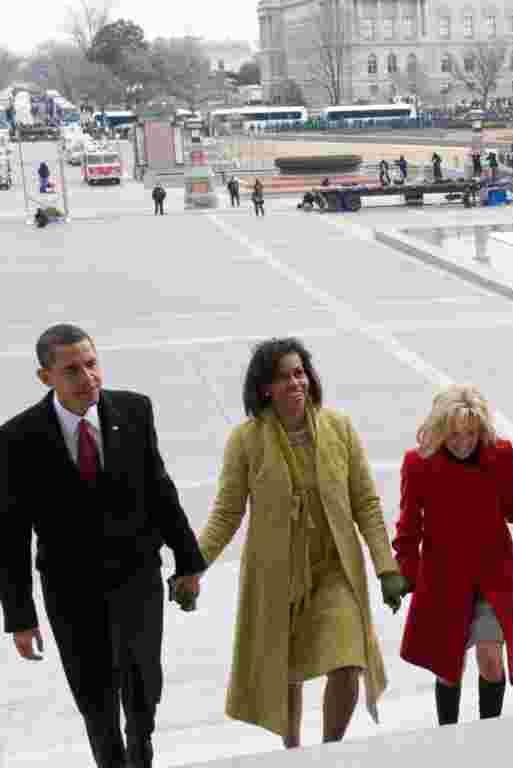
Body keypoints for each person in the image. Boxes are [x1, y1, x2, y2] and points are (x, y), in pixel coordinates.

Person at [0, 324, 206, 768]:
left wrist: (188, 561)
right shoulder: (17, 437)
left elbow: (159, 489)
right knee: (95, 698)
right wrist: (20, 616)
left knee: (142, 686)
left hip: (137, 578)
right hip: (70, 590)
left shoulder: (134, 410)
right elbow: (11, 533)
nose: (88, 377)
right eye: (72, 369)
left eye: (91, 364)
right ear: (45, 377)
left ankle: (141, 752)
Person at [193, 338, 408, 750]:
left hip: (335, 571)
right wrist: (192, 567)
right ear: (264, 389)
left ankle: (330, 749)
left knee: (348, 662)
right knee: (286, 673)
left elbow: (365, 503)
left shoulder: (339, 428)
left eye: (299, 372)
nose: (296, 382)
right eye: (283, 376)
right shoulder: (245, 440)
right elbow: (226, 514)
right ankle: (291, 752)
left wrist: (387, 568)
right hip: (278, 576)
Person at [394, 384, 513, 726]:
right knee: (448, 669)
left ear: (481, 430)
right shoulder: (418, 464)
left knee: (490, 658)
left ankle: (489, 737)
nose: (463, 442)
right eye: (454, 435)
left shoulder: (499, 455)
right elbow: (409, 530)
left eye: (470, 434)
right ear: (440, 432)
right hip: (443, 580)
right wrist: (404, 576)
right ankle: (448, 739)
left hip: (492, 577)